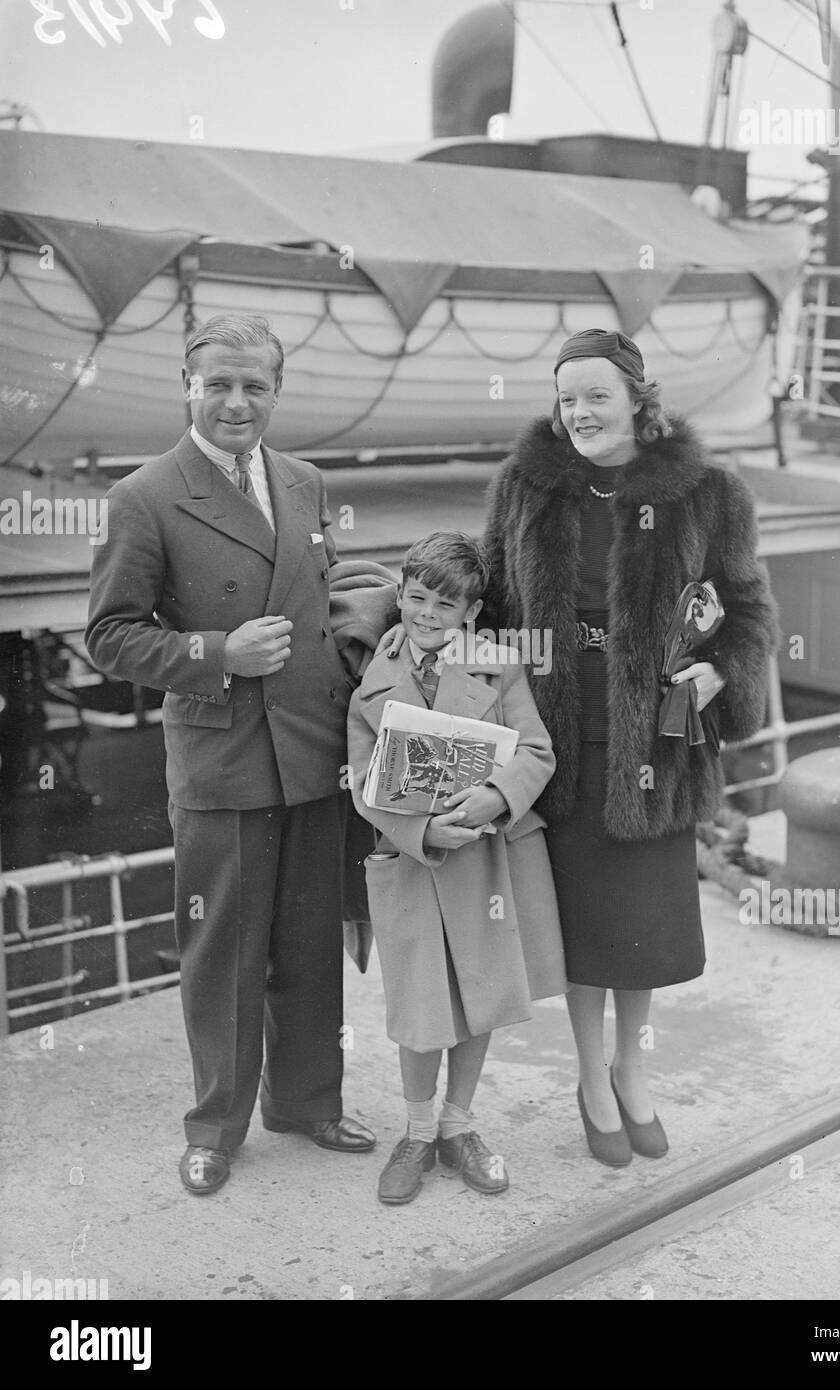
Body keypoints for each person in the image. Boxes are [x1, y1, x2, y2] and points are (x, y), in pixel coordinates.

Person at [86, 313, 392, 1194]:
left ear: (276, 392)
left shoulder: (302, 479)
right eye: (218, 383)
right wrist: (215, 653)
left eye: (254, 385)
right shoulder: (142, 496)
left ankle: (305, 1101)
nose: (235, 402)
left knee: (307, 942)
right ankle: (216, 1125)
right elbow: (109, 636)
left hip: (312, 753)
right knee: (222, 955)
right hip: (224, 759)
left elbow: (317, 590)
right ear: (187, 384)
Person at [478, 328, 779, 1166]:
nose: (578, 413)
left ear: (638, 401)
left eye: (596, 396)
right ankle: (586, 1075)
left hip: (659, 733)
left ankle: (629, 1068)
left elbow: (748, 609)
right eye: (566, 397)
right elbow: (493, 601)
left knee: (640, 929)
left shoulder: (707, 491)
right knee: (581, 930)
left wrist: (724, 672)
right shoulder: (524, 486)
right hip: (560, 733)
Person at [348, 533, 566, 1204]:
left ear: (471, 612)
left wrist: (497, 795)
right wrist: (419, 828)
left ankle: (458, 1127)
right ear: (401, 597)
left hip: (484, 858)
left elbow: (536, 750)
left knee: (480, 994)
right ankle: (415, 1132)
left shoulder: (500, 667)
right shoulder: (373, 680)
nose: (428, 614)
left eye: (447, 604)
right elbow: (362, 780)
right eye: (416, 599)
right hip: (414, 862)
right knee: (420, 1003)